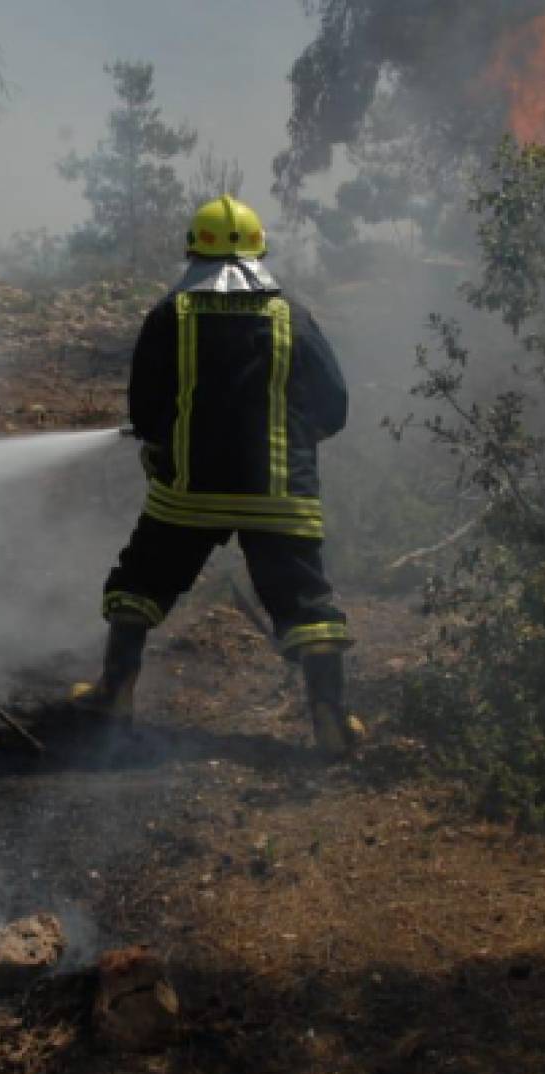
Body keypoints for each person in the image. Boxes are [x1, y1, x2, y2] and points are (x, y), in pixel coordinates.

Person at [72, 194, 365, 757]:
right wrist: (293, 446)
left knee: (140, 582)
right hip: (280, 493)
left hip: (189, 494)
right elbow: (333, 407)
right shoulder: (294, 316)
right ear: (259, 252)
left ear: (192, 252)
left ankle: (115, 693)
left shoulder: (170, 316)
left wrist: (164, 445)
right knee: (307, 603)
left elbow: (146, 411)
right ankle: (330, 721)